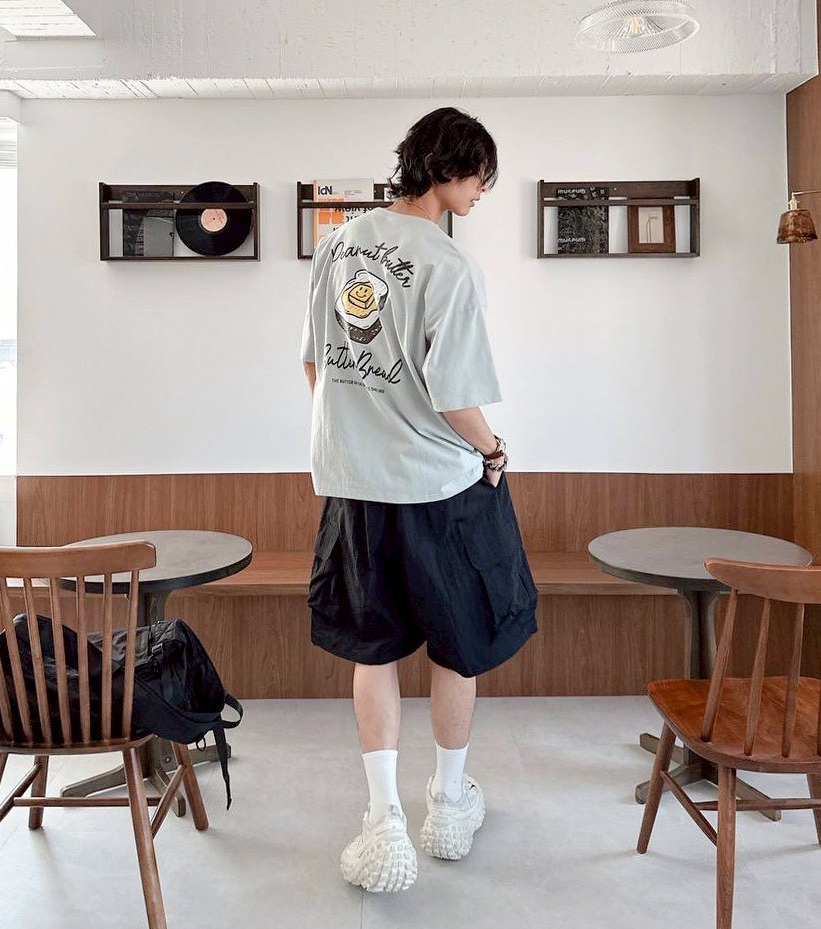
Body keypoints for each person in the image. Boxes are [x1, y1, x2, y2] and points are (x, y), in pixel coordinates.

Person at [300, 106, 537, 893]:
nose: (480, 193)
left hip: (354, 484)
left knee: (373, 649)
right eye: (478, 178)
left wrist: (362, 429)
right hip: (440, 486)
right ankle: (447, 801)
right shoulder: (446, 263)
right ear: (447, 168)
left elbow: (314, 368)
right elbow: (455, 396)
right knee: (456, 644)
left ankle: (382, 819)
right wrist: (493, 450)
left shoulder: (337, 244)